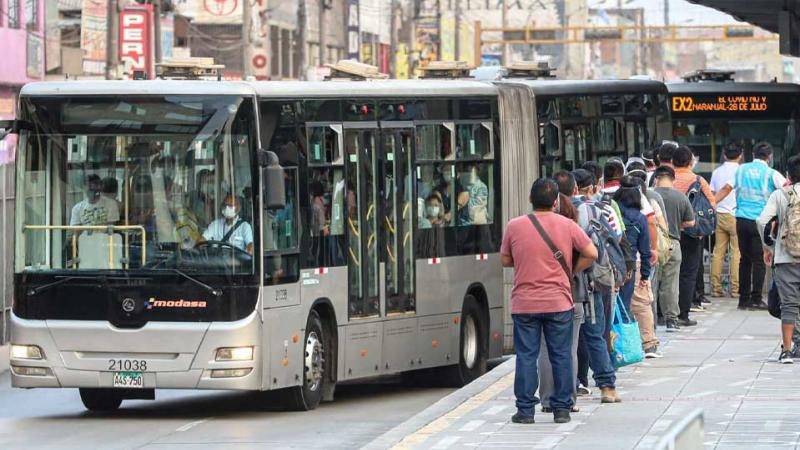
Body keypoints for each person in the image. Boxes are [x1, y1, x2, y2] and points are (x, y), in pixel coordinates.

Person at [501, 178, 597, 425]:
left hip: (525, 303)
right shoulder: (567, 224)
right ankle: (562, 409)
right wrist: (573, 270)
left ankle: (524, 410)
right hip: (558, 302)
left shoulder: (514, 226)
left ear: (530, 199)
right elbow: (592, 253)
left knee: (526, 356)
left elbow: (505, 259)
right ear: (556, 202)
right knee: (561, 354)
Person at [716, 142, 787, 311]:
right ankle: (756, 298)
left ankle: (743, 299)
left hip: (740, 220)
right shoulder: (771, 173)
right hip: (761, 222)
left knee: (744, 260)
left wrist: (713, 203)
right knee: (760, 261)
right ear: (769, 157)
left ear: (753, 155)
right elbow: (786, 189)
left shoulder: (740, 170)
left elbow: (726, 188)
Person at [570, 169, 621, 402]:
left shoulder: (549, 215)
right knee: (594, 333)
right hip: (589, 281)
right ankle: (607, 385)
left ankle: (571, 385)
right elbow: (613, 239)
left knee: (556, 339)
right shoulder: (596, 210)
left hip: (555, 285)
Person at [758, 154, 800, 363]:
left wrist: (768, 246)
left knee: (789, 305)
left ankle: (787, 350)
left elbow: (762, 220)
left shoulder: (780, 194)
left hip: (786, 257)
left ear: (789, 175)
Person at [654, 166, 696, 332]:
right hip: (673, 243)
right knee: (671, 284)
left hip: (654, 244)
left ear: (656, 178)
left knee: (651, 282)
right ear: (673, 179)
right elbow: (691, 222)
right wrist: (677, 225)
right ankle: (671, 319)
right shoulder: (680, 197)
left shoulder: (650, 194)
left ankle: (652, 318)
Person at [614, 177, 653, 314]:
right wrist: (645, 275)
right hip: (628, 267)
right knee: (624, 307)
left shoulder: (610, 212)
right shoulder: (640, 218)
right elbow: (645, 250)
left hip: (609, 265)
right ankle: (621, 334)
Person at [709, 143, 742, 298]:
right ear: (740, 155)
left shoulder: (716, 171)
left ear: (724, 154)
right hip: (736, 215)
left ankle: (716, 288)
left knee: (718, 252)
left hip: (719, 214)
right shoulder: (741, 171)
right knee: (736, 253)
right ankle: (736, 290)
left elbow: (712, 192)